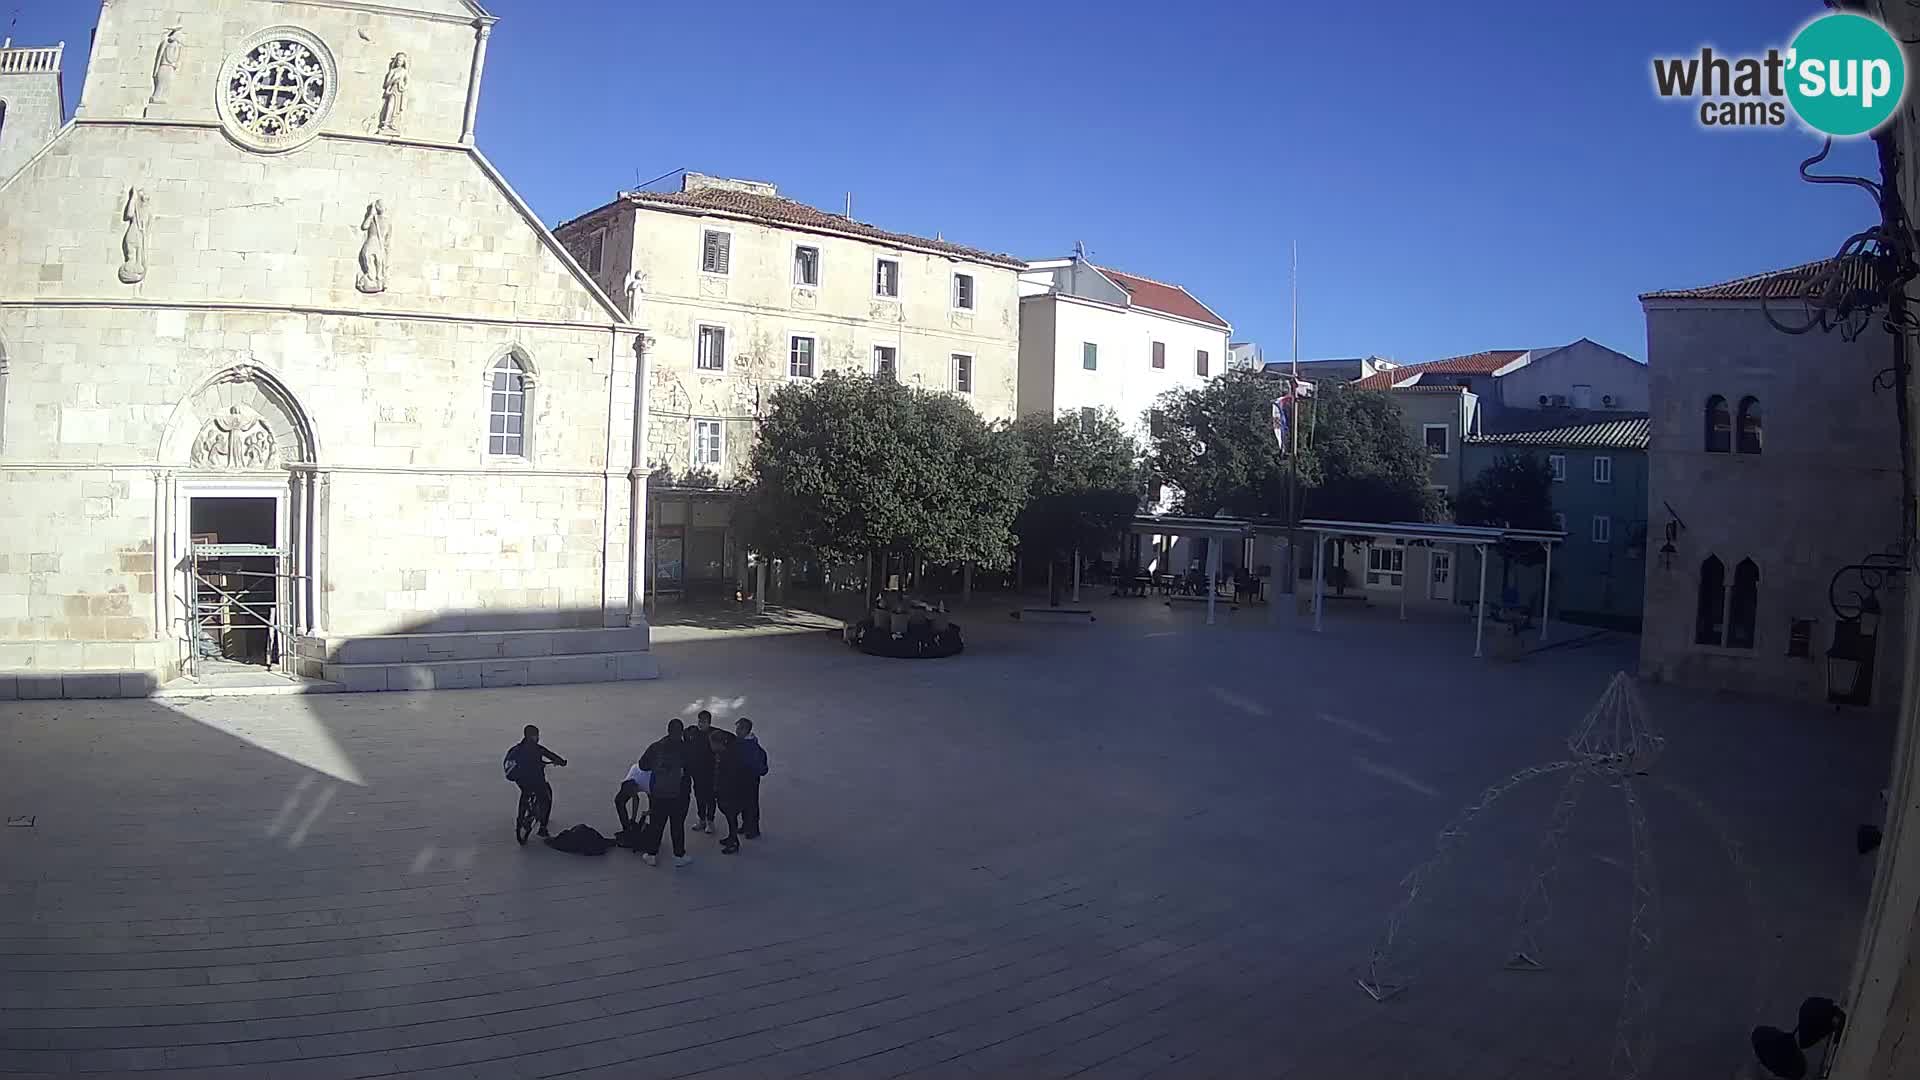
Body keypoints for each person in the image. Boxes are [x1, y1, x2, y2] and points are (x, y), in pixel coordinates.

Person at [637, 719, 692, 866]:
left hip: (659, 794)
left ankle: (651, 854)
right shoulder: (686, 749)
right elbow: (694, 769)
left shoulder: (656, 747)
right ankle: (679, 855)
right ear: (681, 732)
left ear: (668, 731)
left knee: (656, 824)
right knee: (677, 825)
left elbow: (642, 765)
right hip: (680, 794)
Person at [504, 724, 566, 838]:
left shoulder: (517, 749)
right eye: (536, 735)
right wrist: (561, 762)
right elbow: (550, 755)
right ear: (532, 736)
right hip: (536, 780)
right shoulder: (537, 749)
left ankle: (520, 819)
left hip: (520, 780)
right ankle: (543, 828)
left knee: (525, 792)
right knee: (546, 799)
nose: (538, 737)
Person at [711, 730, 748, 854]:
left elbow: (728, 777)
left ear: (718, 744)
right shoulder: (724, 754)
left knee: (731, 818)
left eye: (712, 744)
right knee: (730, 818)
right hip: (727, 793)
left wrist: (721, 791)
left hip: (730, 794)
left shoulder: (727, 757)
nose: (711, 746)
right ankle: (731, 838)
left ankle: (734, 842)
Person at [734, 717, 769, 839]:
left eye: (738, 729)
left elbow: (757, 766)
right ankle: (746, 824)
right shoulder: (745, 743)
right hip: (744, 779)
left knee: (751, 805)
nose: (736, 731)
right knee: (744, 803)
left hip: (750, 780)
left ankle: (753, 828)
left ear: (745, 730)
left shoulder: (749, 747)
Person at [686, 710, 719, 833]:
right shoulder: (694, 733)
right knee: (699, 797)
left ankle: (710, 821)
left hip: (710, 774)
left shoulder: (714, 733)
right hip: (697, 774)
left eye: (704, 722)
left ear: (709, 723)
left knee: (710, 798)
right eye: (699, 721)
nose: (701, 724)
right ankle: (701, 820)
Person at [613, 758, 649, 842]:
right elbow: (635, 798)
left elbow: (636, 799)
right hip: (637, 776)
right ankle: (627, 829)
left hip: (654, 781)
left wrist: (634, 818)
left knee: (655, 810)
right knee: (618, 801)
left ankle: (654, 835)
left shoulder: (647, 786)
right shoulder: (631, 774)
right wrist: (632, 820)